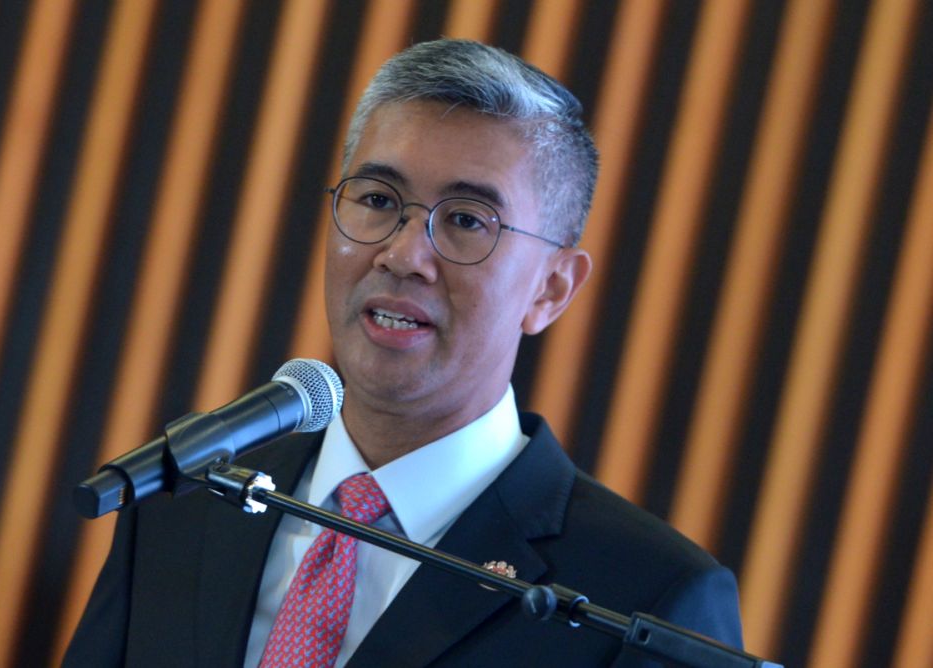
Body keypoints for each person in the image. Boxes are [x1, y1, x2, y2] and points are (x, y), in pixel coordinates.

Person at [64, 39, 743, 667]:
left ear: (551, 289)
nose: (402, 254)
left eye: (467, 220)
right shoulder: (187, 503)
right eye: (378, 199)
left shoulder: (646, 600)